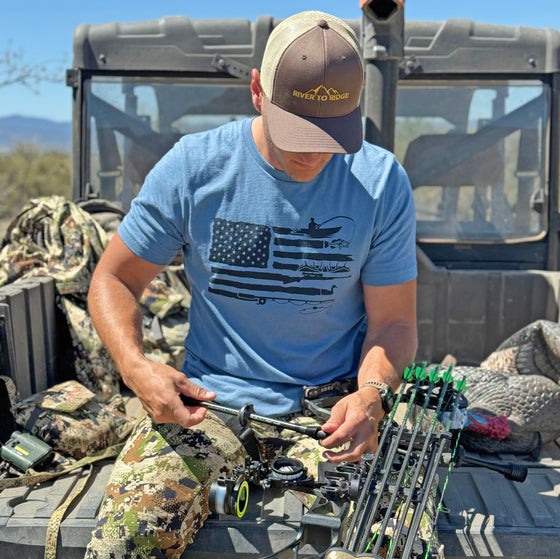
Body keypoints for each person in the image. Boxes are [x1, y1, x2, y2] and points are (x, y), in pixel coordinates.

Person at [85, 9, 417, 558]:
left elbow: (394, 322)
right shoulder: (194, 168)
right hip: (209, 406)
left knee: (393, 543)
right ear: (258, 92)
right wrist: (135, 367)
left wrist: (372, 395)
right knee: (124, 542)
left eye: (332, 135)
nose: (314, 153)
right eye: (299, 134)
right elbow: (114, 277)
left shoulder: (380, 182)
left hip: (333, 413)